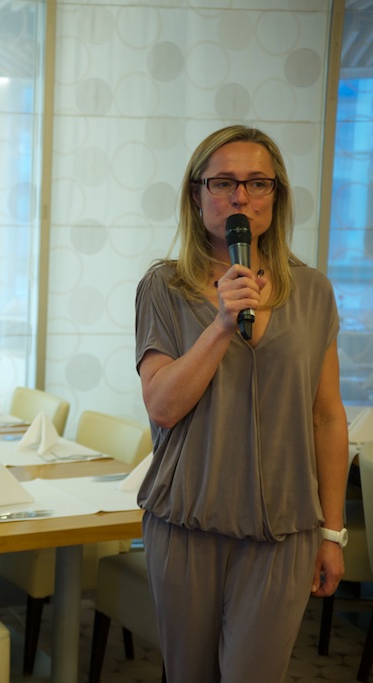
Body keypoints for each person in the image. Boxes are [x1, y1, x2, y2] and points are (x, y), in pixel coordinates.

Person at [134, 125, 350, 681]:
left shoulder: (314, 292)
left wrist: (332, 533)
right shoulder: (164, 288)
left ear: (276, 197)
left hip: (284, 530)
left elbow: (327, 417)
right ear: (196, 194)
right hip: (187, 521)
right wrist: (222, 325)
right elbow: (162, 405)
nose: (241, 197)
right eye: (223, 182)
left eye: (258, 183)